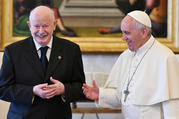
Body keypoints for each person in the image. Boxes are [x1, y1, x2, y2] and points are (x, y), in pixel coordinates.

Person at [83, 10, 179, 119]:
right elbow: (123, 97)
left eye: (127, 33)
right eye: (122, 32)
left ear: (143, 32)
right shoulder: (126, 56)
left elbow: (172, 106)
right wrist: (100, 94)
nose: (123, 38)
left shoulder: (165, 57)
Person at [0, 6, 85, 119]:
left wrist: (64, 89)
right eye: (36, 26)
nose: (41, 31)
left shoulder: (71, 50)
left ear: (54, 25)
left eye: (45, 26)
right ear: (29, 25)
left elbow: (80, 88)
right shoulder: (13, 51)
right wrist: (32, 91)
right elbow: (3, 89)